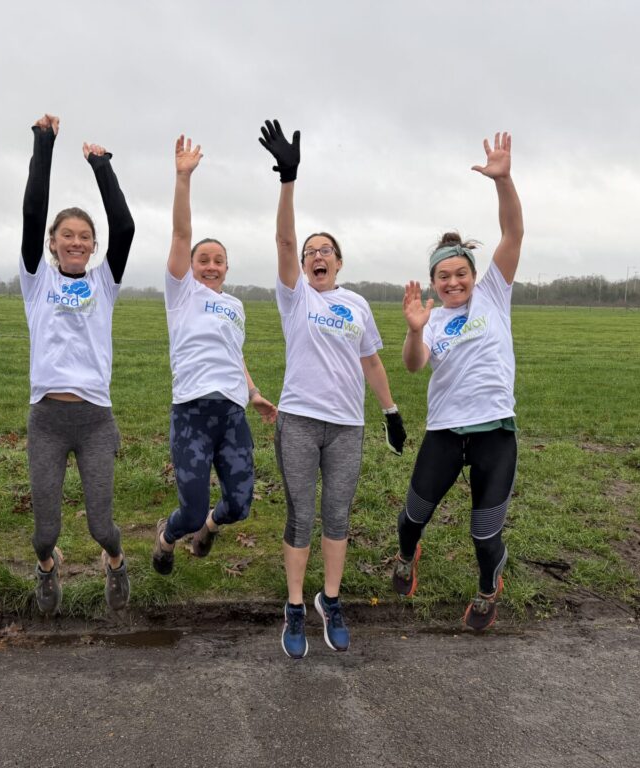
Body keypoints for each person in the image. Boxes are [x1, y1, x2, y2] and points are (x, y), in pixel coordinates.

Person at [259, 119, 407, 659]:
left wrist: (390, 410)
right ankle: (295, 606)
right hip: (299, 420)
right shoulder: (296, 298)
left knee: (338, 517)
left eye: (326, 251)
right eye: (310, 251)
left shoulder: (358, 305)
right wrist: (288, 179)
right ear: (302, 265)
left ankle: (331, 600)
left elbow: (370, 359)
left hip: (347, 426)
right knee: (301, 515)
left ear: (339, 262)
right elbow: (282, 237)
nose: (316, 255)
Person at [392, 131, 523, 632]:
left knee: (484, 535)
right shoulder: (433, 320)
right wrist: (413, 330)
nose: (452, 282)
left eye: (459, 274)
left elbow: (512, 235)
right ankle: (407, 557)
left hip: (495, 433)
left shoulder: (492, 297)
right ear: (432, 282)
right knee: (411, 517)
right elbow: (412, 365)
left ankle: (489, 589)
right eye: (442, 277)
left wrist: (504, 180)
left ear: (472, 274)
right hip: (446, 431)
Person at [20, 114, 135, 615]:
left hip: (94, 420)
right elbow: (31, 211)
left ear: (92, 245)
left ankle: (115, 560)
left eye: (84, 236)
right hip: (46, 419)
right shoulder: (36, 279)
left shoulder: (105, 281)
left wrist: (102, 167)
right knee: (44, 532)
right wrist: (44, 145)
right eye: (66, 235)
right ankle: (48, 568)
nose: (76, 241)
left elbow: (125, 226)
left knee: (100, 525)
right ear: (52, 243)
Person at [152, 135, 277, 575]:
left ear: (227, 267)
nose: (210, 265)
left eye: (218, 260)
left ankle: (209, 527)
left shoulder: (236, 305)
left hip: (232, 413)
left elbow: (233, 354)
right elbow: (181, 231)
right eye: (203, 259)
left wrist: (254, 391)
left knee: (239, 505)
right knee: (187, 511)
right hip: (191, 412)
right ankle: (168, 540)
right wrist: (183, 178)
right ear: (191, 264)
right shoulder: (180, 293)